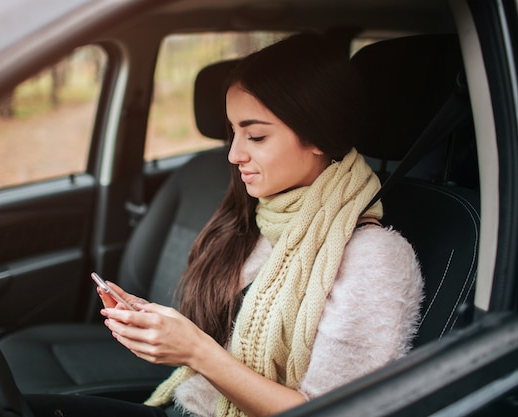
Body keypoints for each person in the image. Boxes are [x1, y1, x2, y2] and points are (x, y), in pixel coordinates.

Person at [28, 32, 423, 417]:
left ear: (319, 135)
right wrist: (158, 328)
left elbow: (333, 411)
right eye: (233, 132)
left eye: (255, 135)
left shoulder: (374, 258)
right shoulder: (261, 213)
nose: (234, 154)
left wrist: (195, 350)